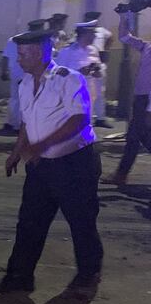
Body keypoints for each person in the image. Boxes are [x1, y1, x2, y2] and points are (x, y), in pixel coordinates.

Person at [0, 29, 102, 293]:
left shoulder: (68, 79)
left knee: (81, 223)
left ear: (39, 52)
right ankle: (19, 277)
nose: (18, 60)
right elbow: (27, 122)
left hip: (74, 165)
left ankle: (88, 276)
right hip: (41, 166)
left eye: (23, 54)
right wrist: (17, 152)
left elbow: (79, 119)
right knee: (29, 222)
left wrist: (40, 146)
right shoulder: (26, 83)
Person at [102, 12, 151, 185]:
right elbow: (124, 37)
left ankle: (121, 175)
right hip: (141, 100)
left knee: (135, 137)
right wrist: (124, 17)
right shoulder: (146, 46)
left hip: (147, 102)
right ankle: (121, 175)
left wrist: (148, 109)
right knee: (135, 137)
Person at [57, 20, 104, 125]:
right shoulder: (67, 51)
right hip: (72, 92)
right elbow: (58, 72)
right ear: (84, 34)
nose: (95, 37)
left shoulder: (93, 50)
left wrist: (98, 72)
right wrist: (78, 72)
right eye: (92, 34)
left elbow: (99, 70)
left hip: (89, 91)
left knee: (87, 118)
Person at [2, 20, 45, 133]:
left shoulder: (13, 39)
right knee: (27, 99)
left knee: (14, 99)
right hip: (27, 73)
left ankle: (12, 123)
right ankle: (21, 125)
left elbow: (5, 57)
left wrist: (3, 71)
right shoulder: (35, 40)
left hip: (14, 73)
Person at [84, 11, 114, 128]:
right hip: (86, 63)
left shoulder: (101, 31)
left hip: (98, 63)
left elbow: (111, 37)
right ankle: (88, 119)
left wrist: (106, 49)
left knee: (100, 92)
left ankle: (100, 118)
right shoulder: (82, 30)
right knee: (87, 93)